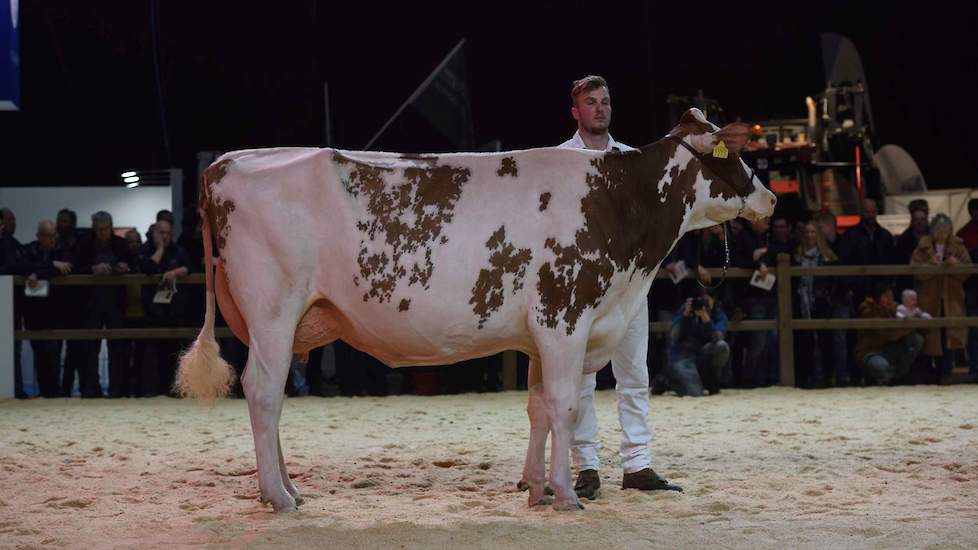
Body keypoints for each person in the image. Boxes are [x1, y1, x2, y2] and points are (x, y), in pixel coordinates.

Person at [556, 75, 679, 499]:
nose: (600, 107)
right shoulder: (559, 162)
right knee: (581, 378)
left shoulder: (632, 159)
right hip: (580, 293)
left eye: (605, 101)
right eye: (591, 102)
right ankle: (586, 466)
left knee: (634, 375)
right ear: (576, 112)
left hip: (628, 287)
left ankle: (638, 464)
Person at [74, 211, 133, 397]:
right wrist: (92, 269)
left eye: (106, 229)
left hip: (116, 301)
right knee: (91, 349)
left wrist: (124, 268)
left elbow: (134, 264)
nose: (103, 232)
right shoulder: (83, 244)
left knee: (118, 348)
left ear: (111, 227)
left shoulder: (121, 244)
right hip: (91, 302)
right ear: (94, 228)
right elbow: (75, 267)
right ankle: (91, 389)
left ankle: (117, 389)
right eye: (99, 229)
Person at [911, 213, 972, 382]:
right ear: (933, 229)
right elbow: (915, 270)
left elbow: (968, 270)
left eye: (946, 229)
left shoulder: (958, 247)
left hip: (952, 298)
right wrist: (932, 264)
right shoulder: (922, 247)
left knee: (949, 335)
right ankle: (930, 373)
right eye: (939, 228)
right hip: (930, 298)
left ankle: (946, 372)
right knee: (930, 334)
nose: (942, 232)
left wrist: (956, 265)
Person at [138, 218, 190, 396]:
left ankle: (172, 392)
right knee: (150, 355)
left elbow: (188, 267)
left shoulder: (179, 250)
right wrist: (160, 248)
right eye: (161, 232)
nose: (165, 236)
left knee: (173, 353)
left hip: (173, 310)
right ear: (154, 232)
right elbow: (148, 267)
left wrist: (174, 272)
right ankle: (150, 392)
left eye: (168, 233)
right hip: (151, 310)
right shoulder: (145, 249)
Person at [22, 221, 73, 397]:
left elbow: (65, 268)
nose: (52, 239)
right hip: (33, 312)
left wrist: (41, 270)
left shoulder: (62, 250)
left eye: (54, 235)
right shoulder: (29, 250)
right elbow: (22, 267)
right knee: (40, 355)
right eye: (48, 235)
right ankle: (45, 393)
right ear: (39, 236)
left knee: (54, 354)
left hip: (56, 311)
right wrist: (51, 264)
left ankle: (54, 393)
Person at [793, 221, 838, 388]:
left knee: (826, 341)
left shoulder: (828, 256)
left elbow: (834, 280)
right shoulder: (796, 256)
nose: (810, 235)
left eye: (813, 232)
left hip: (821, 302)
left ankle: (829, 377)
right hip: (802, 302)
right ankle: (806, 377)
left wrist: (828, 296)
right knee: (804, 342)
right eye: (807, 232)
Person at [662, 291, 729, 396]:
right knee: (696, 393)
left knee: (722, 347)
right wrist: (685, 316)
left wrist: (705, 317)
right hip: (682, 358)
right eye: (701, 300)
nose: (703, 303)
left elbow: (718, 338)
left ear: (714, 300)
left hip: (701, 357)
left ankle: (712, 383)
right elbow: (673, 337)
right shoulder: (685, 310)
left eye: (707, 300)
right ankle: (667, 382)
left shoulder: (718, 314)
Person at [854, 284, 923, 385]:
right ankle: (880, 377)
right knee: (881, 366)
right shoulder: (869, 311)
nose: (890, 300)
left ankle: (895, 377)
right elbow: (889, 334)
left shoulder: (895, 309)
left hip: (888, 350)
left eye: (891, 297)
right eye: (886, 297)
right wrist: (910, 326)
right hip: (870, 351)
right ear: (878, 298)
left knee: (916, 339)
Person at [1, 208, 28, 397]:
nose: (13, 223)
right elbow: (12, 267)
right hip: (5, 303)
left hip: (13, 304)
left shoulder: (15, 244)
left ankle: (16, 388)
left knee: (15, 347)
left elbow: (25, 264)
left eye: (14, 219)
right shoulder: (6, 245)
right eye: (10, 219)